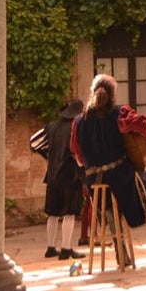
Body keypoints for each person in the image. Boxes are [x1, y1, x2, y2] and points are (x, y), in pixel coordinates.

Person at [70, 74, 146, 258]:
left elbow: (76, 153)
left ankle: (107, 214)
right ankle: (124, 217)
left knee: (103, 195)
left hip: (94, 179)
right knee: (141, 177)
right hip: (119, 176)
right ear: (112, 94)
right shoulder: (121, 114)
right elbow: (144, 127)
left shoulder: (78, 121)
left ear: (93, 92)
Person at [39, 99, 86, 259]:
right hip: (70, 175)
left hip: (52, 175)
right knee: (69, 213)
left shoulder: (51, 126)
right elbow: (77, 152)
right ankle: (66, 249)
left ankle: (50, 248)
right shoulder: (76, 127)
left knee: (52, 213)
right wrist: (82, 165)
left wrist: (50, 156)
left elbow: (34, 143)